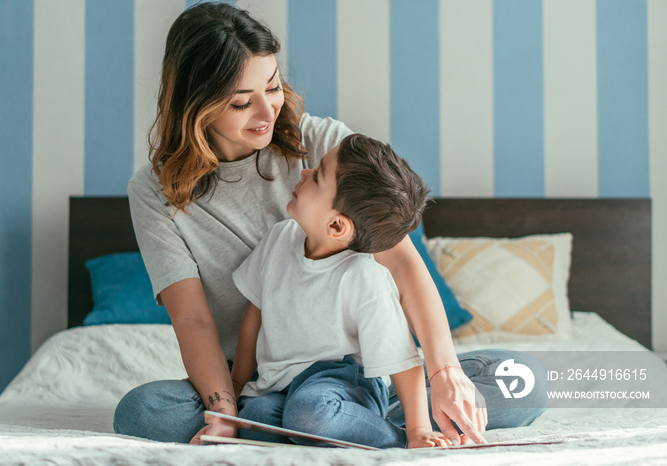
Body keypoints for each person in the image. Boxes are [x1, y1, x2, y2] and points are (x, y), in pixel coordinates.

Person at [114, 1, 547, 445]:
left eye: (273, 86)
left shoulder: (321, 142)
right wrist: (224, 408)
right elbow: (193, 320)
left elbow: (400, 261)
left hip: (360, 371)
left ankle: (360, 419)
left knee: (525, 380)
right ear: (196, 105)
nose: (268, 114)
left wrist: (445, 371)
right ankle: (318, 423)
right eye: (243, 102)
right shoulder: (154, 191)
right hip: (258, 382)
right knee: (143, 411)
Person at [230, 134, 444, 448]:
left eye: (316, 176)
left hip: (342, 382)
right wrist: (235, 383)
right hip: (280, 385)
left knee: (310, 413)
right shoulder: (278, 239)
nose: (304, 173)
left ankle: (393, 438)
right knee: (253, 422)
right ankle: (327, 436)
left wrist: (418, 430)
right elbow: (255, 317)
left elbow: (402, 358)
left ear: (336, 227)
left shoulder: (365, 277)